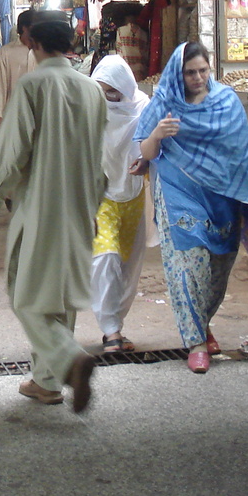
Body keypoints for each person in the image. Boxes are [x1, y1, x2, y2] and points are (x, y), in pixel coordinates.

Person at [0, 15, 105, 412]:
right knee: (61, 296)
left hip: (39, 204)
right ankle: (46, 381)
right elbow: (98, 157)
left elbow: (13, 149)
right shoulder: (91, 89)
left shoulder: (33, 84)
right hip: (81, 205)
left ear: (33, 44)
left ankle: (69, 360)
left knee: (26, 294)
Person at [133, 42, 248, 373]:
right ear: (177, 73)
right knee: (188, 264)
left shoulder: (226, 102)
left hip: (223, 196)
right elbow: (146, 152)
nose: (198, 78)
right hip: (178, 189)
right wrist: (158, 134)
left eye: (203, 71)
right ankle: (195, 342)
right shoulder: (165, 101)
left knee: (218, 268)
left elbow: (243, 151)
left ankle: (201, 324)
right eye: (190, 72)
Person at [88, 56, 150, 353]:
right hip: (101, 197)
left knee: (128, 266)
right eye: (100, 91)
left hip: (135, 196)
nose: (106, 98)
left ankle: (116, 324)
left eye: (111, 91)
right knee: (105, 259)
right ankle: (110, 330)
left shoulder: (144, 108)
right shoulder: (88, 110)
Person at [0, 9, 36, 134]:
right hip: (13, 114)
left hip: (39, 114)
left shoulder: (43, 51)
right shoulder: (7, 52)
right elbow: (0, 85)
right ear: (25, 28)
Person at [115, 2, 149, 82]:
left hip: (126, 69)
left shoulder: (120, 31)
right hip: (140, 70)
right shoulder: (143, 34)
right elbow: (146, 54)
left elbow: (119, 51)